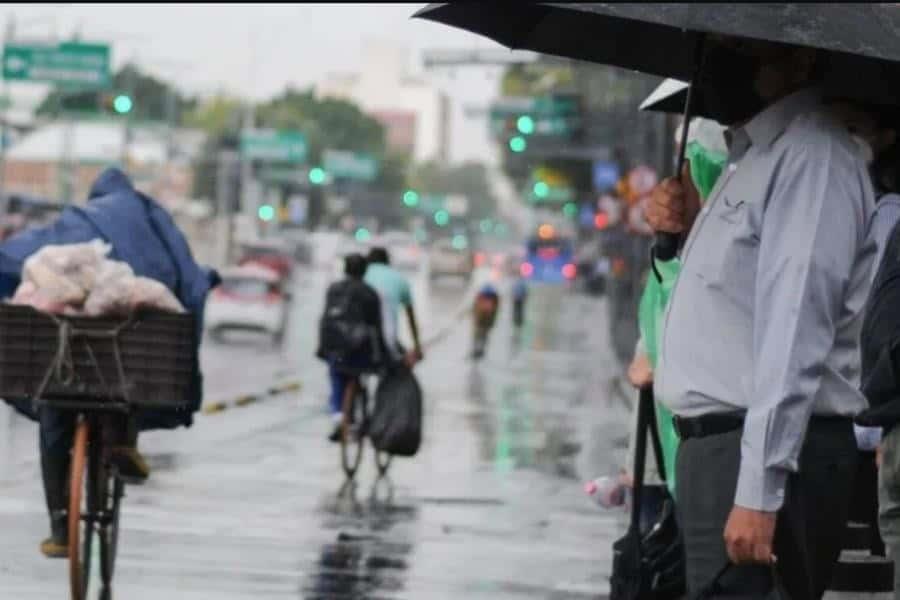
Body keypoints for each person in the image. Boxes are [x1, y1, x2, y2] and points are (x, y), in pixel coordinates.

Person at [645, 37, 876, 599]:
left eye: (733, 43)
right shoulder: (753, 155)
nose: (710, 58)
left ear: (799, 55)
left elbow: (796, 328)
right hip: (721, 455)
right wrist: (685, 231)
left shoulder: (813, 156)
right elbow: (740, 302)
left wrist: (759, 492)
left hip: (759, 458)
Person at [0, 168, 218, 558]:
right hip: (121, 349)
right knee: (127, 382)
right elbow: (182, 266)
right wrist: (202, 283)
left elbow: (24, 253)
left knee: (54, 420)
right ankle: (123, 443)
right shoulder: (150, 218)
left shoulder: (77, 220)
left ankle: (60, 530)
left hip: (65, 356)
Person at [627, 117, 728, 499]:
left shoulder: (713, 258)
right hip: (676, 453)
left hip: (708, 453)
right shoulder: (668, 264)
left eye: (691, 166)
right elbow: (643, 362)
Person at [316, 253, 386, 443]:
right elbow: (377, 328)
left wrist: (322, 347)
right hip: (361, 351)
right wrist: (383, 357)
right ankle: (358, 417)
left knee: (336, 376)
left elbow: (325, 320)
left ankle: (338, 415)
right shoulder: (370, 293)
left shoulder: (334, 289)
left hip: (335, 349)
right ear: (365, 271)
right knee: (360, 375)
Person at [364, 247, 423, 367]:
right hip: (387, 342)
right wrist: (417, 347)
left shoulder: (361, 276)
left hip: (353, 341)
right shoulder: (399, 279)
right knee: (402, 366)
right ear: (388, 262)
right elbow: (411, 318)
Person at [471, 283, 500, 359]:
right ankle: (479, 350)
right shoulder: (494, 298)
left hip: (483, 320)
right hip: (483, 320)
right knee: (482, 335)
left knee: (480, 335)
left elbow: (475, 308)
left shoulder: (483, 297)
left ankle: (478, 350)